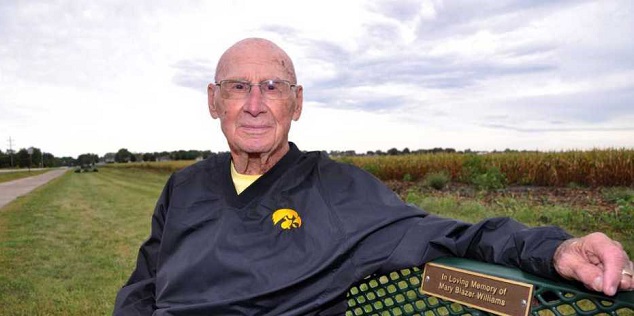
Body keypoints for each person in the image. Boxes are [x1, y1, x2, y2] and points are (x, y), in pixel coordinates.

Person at [114, 38, 633, 315]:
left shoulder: (339, 191)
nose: (254, 105)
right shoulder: (185, 187)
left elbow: (454, 233)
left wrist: (558, 249)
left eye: (272, 87)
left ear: (297, 103)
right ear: (213, 101)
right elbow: (146, 283)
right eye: (237, 87)